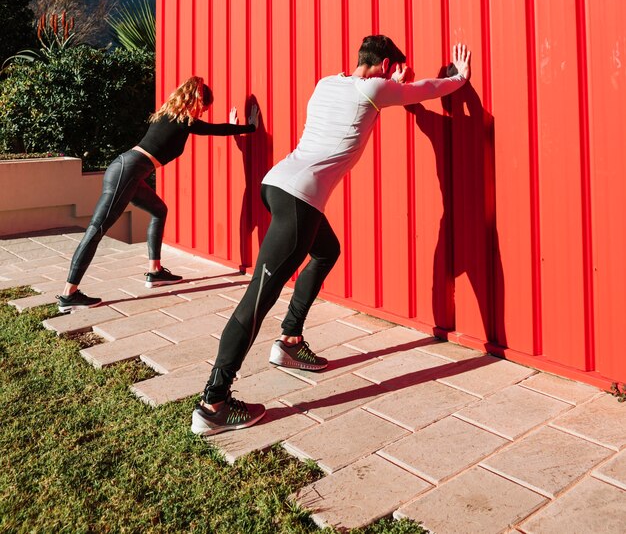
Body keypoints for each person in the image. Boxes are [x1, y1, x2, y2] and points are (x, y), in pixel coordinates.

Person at [191, 37, 471, 436]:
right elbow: (425, 90)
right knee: (257, 298)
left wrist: (394, 84)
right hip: (300, 200)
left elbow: (376, 101)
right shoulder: (374, 88)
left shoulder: (327, 83)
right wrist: (458, 78)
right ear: (386, 63)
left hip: (277, 185)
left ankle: (289, 341)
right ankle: (213, 403)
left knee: (326, 250)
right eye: (391, 69)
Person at [56, 76, 257, 313]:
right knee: (96, 229)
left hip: (128, 170)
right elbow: (215, 129)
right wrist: (249, 127)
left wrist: (233, 128)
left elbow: (212, 128)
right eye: (203, 107)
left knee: (159, 210)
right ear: (196, 99)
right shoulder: (183, 120)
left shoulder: (167, 115)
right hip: (127, 171)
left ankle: (155, 271)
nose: (202, 112)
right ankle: (69, 294)